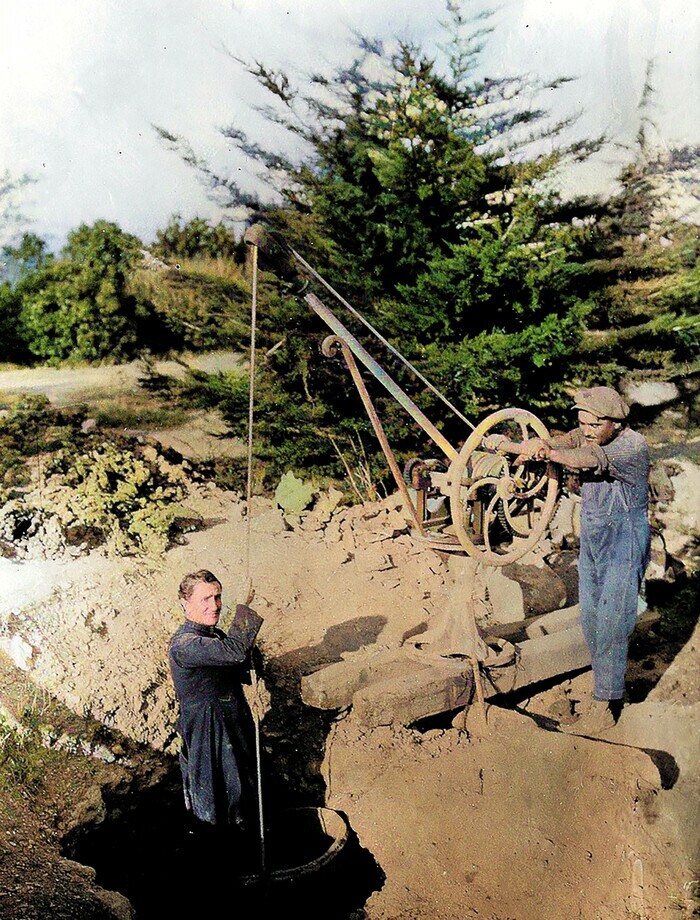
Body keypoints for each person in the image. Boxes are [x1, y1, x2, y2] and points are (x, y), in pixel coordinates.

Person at [486, 386, 651, 735]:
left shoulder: (631, 446)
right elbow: (568, 442)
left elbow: (584, 459)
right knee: (590, 616)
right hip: (593, 538)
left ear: (615, 422)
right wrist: (525, 446)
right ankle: (601, 683)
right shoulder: (592, 432)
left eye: (593, 424)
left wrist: (546, 452)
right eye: (582, 422)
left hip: (624, 540)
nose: (586, 429)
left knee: (611, 619)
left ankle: (607, 703)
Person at [168, 569, 263, 843]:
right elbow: (234, 653)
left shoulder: (215, 636)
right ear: (184, 603)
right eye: (205, 599)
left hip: (231, 724)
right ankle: (219, 857)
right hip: (207, 732)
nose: (214, 606)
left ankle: (242, 846)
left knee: (241, 789)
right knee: (213, 795)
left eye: (218, 597)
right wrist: (245, 606)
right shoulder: (184, 645)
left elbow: (239, 662)